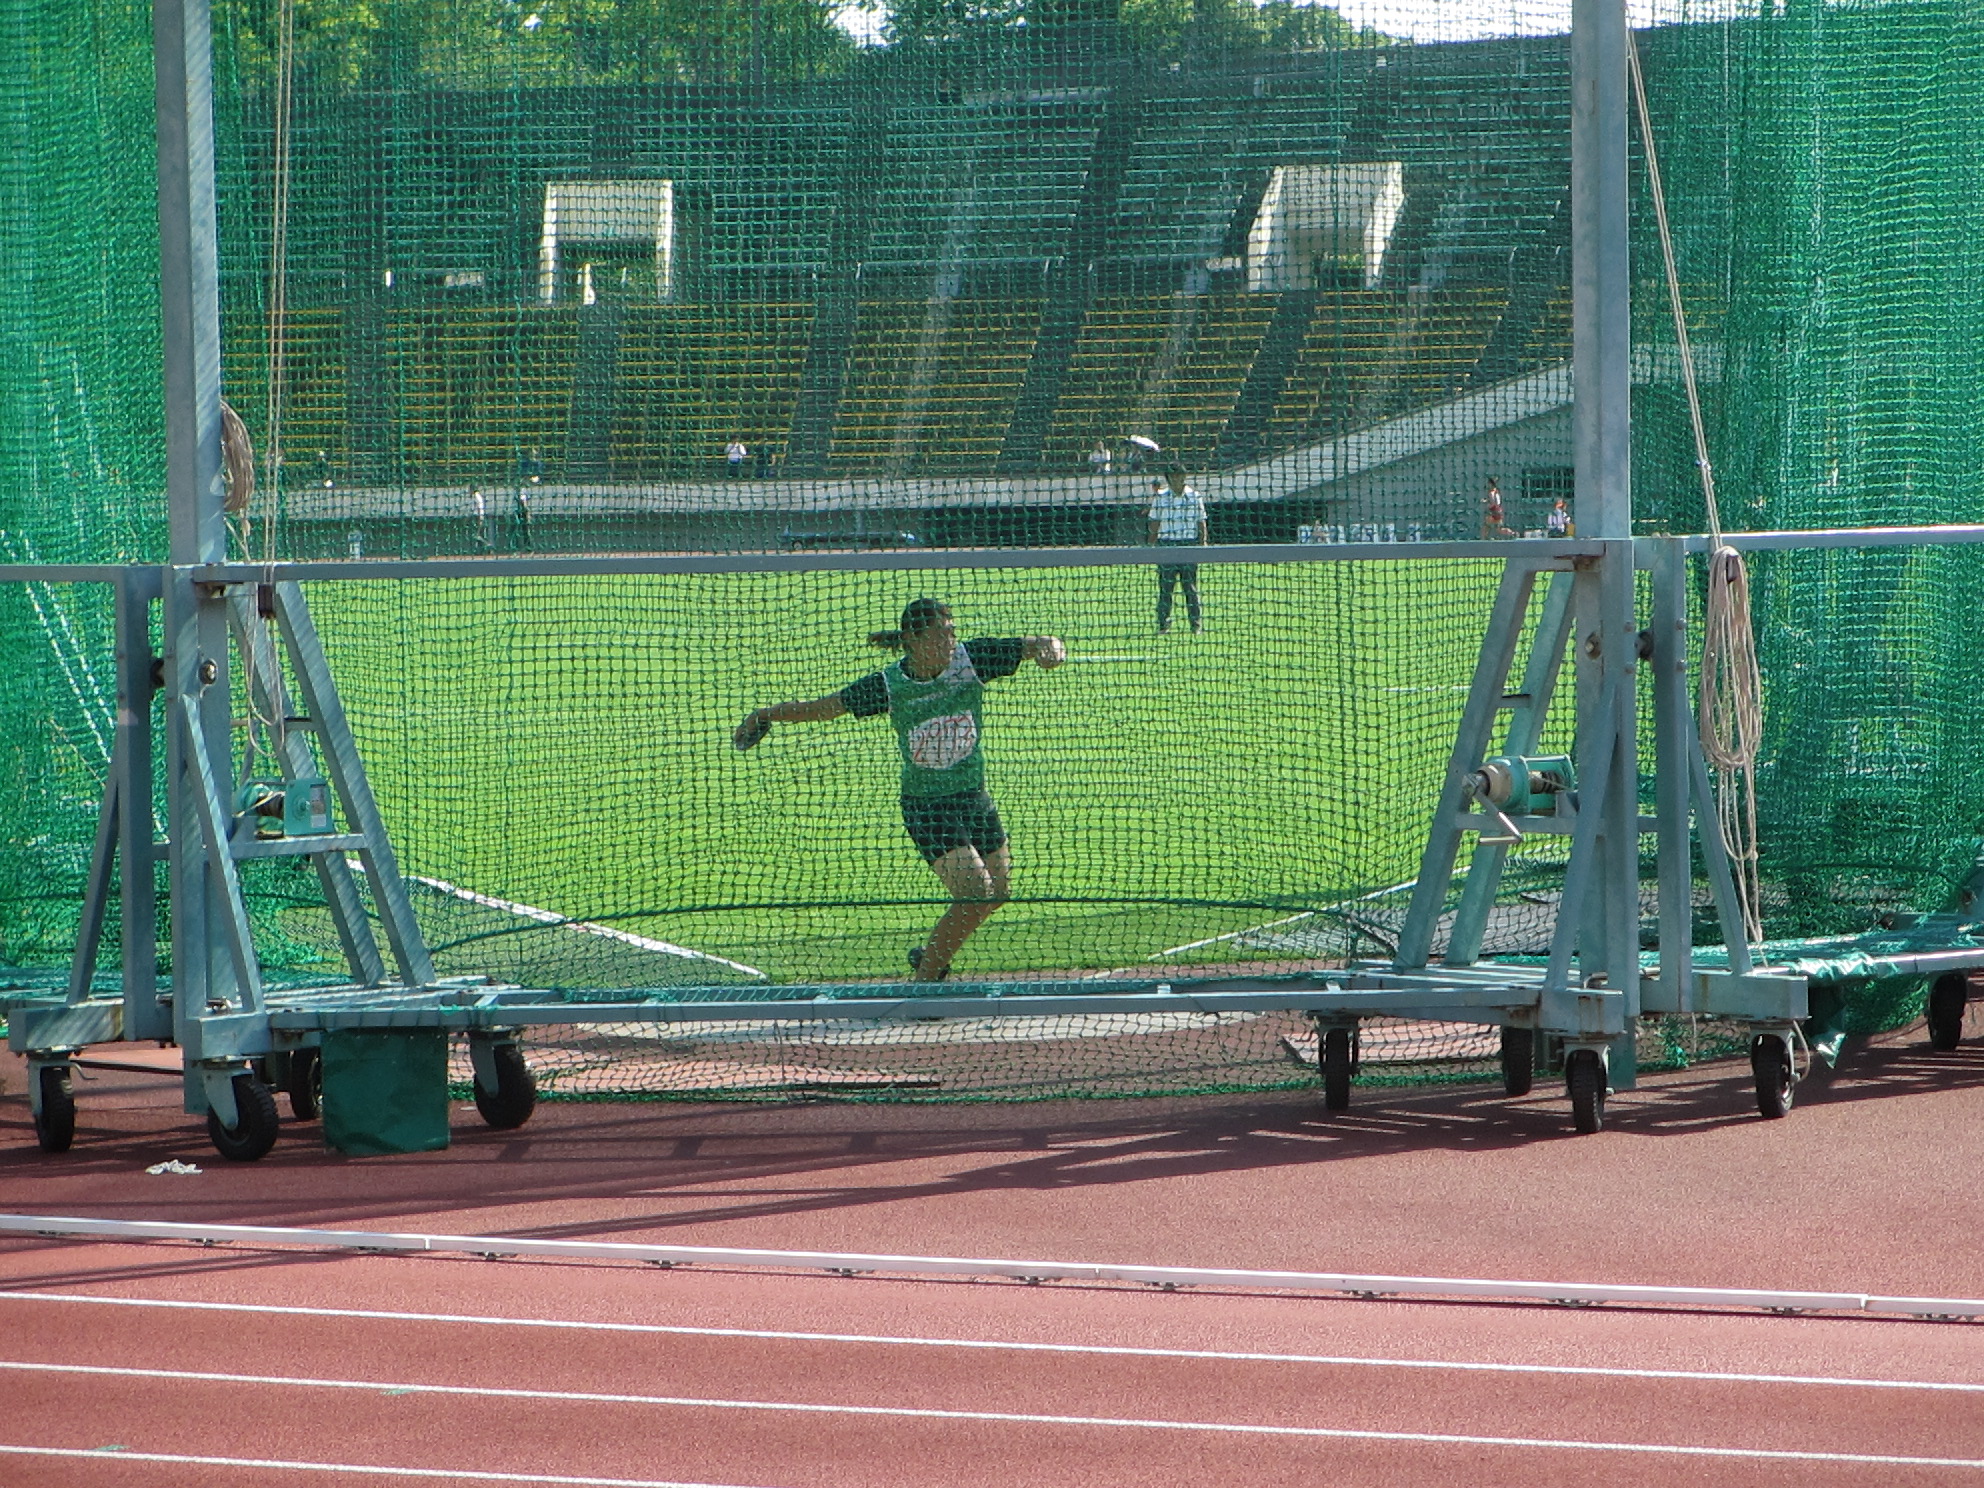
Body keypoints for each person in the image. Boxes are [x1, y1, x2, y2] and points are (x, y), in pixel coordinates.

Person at [732, 598, 1065, 982]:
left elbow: (1039, 642)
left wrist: (1050, 650)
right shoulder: (890, 686)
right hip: (928, 808)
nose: (950, 641)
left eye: (952, 632)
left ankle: (932, 952)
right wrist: (763, 715)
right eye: (940, 635)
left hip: (974, 797)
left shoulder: (971, 660)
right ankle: (926, 981)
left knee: (999, 893)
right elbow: (825, 707)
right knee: (975, 892)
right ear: (913, 640)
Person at [1147, 465, 1207, 633]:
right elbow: (1154, 522)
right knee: (1166, 588)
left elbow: (1201, 521)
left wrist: (1203, 543)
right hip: (1166, 545)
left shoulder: (1194, 497)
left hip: (1188, 545)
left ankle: (1196, 625)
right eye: (1172, 476)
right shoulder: (1160, 498)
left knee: (1190, 587)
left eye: (1179, 476)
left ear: (1184, 476)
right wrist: (1150, 545)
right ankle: (1163, 624)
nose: (1176, 479)